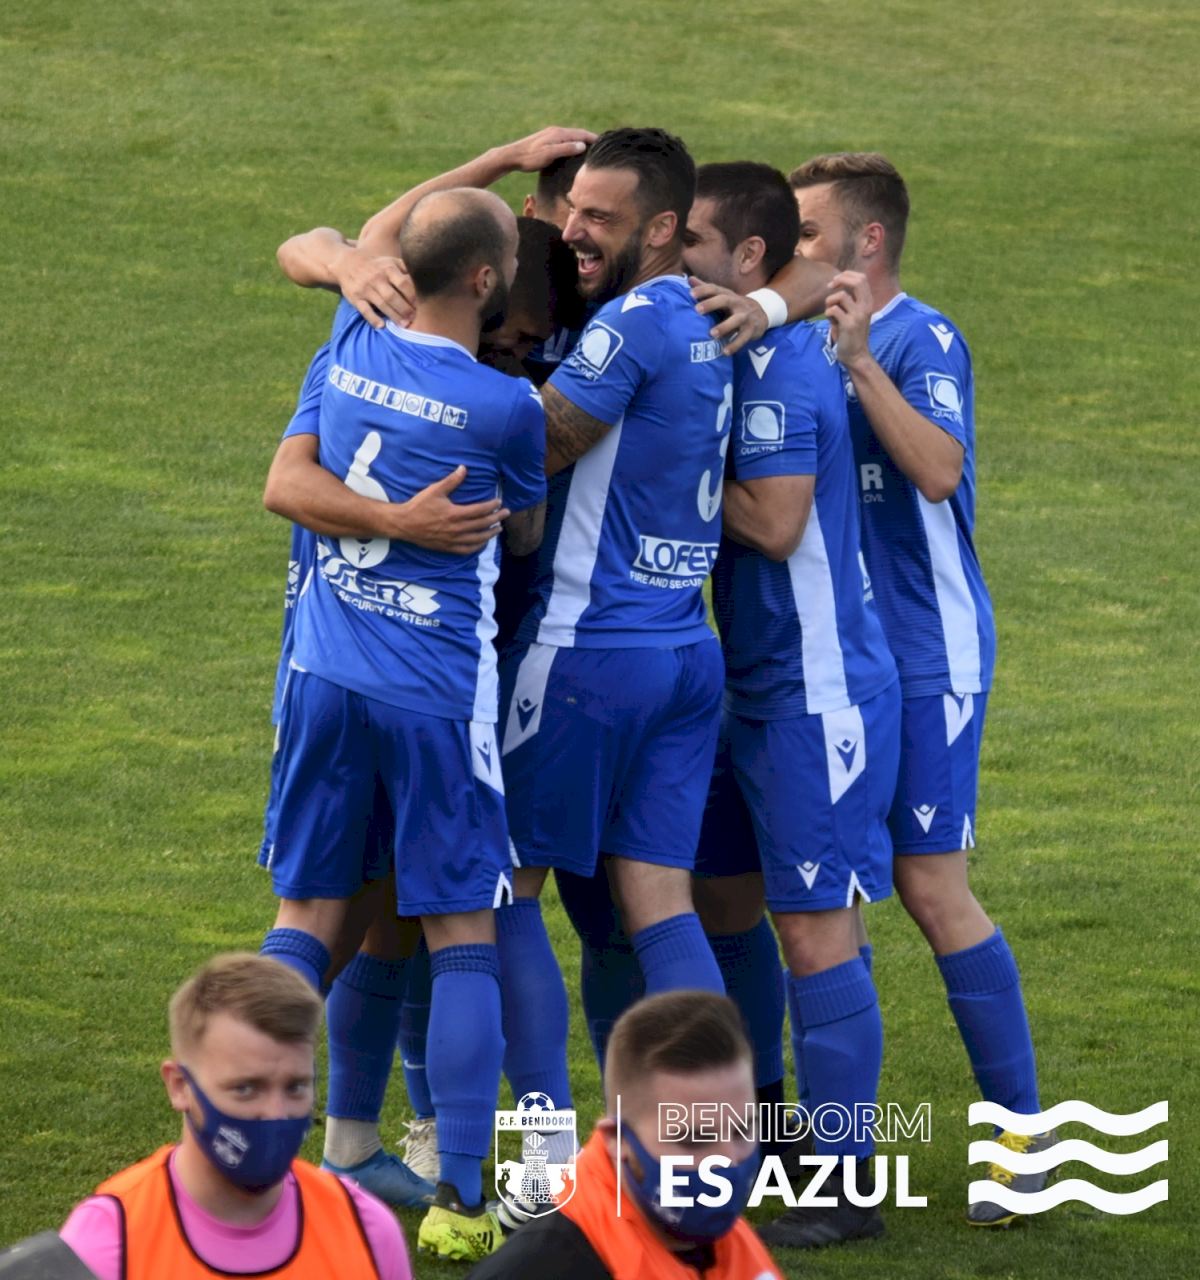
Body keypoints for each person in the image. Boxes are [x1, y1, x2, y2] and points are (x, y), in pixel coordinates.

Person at [259, 186, 547, 1261]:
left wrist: (501, 160)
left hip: (322, 675)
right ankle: (462, 1200)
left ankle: (247, 1171)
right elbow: (524, 535)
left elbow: (338, 242)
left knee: (307, 915)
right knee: (463, 929)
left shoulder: (350, 336)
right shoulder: (507, 406)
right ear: (486, 279)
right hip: (434, 690)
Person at [790, 151, 1049, 1225]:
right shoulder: (802, 338)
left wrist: (859, 365)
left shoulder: (920, 338)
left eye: (809, 232)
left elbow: (938, 470)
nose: (795, 249)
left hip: (928, 652)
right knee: (830, 898)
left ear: (869, 241)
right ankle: (838, 1164)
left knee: (931, 885)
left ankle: (1025, 1143)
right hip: (843, 662)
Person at [495, 127, 734, 1135]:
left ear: (663, 227)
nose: (573, 231)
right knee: (660, 906)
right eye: (572, 209)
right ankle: (702, 1146)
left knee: (500, 894)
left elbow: (541, 444)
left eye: (600, 216)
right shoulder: (705, 320)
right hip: (684, 652)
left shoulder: (631, 322)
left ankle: (545, 1157)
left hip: (587, 652)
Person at [680, 162, 901, 1248]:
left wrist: (666, 465)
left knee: (816, 933)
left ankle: (848, 1181)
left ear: (749, 256)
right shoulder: (748, 338)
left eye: (691, 242)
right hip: (754, 688)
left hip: (819, 695)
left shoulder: (775, 371)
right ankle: (773, 1128)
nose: (675, 259)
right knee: (726, 905)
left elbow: (772, 525)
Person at [58, 953, 411, 1279]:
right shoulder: (107, 1244)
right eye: (246, 1088)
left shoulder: (366, 1230)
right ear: (180, 1086)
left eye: (295, 1087)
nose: (275, 1113)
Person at [465, 991, 784, 1279]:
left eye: (743, 1129)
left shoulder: (723, 1240)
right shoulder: (542, 1267)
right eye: (693, 1139)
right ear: (618, 1140)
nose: (729, 1160)